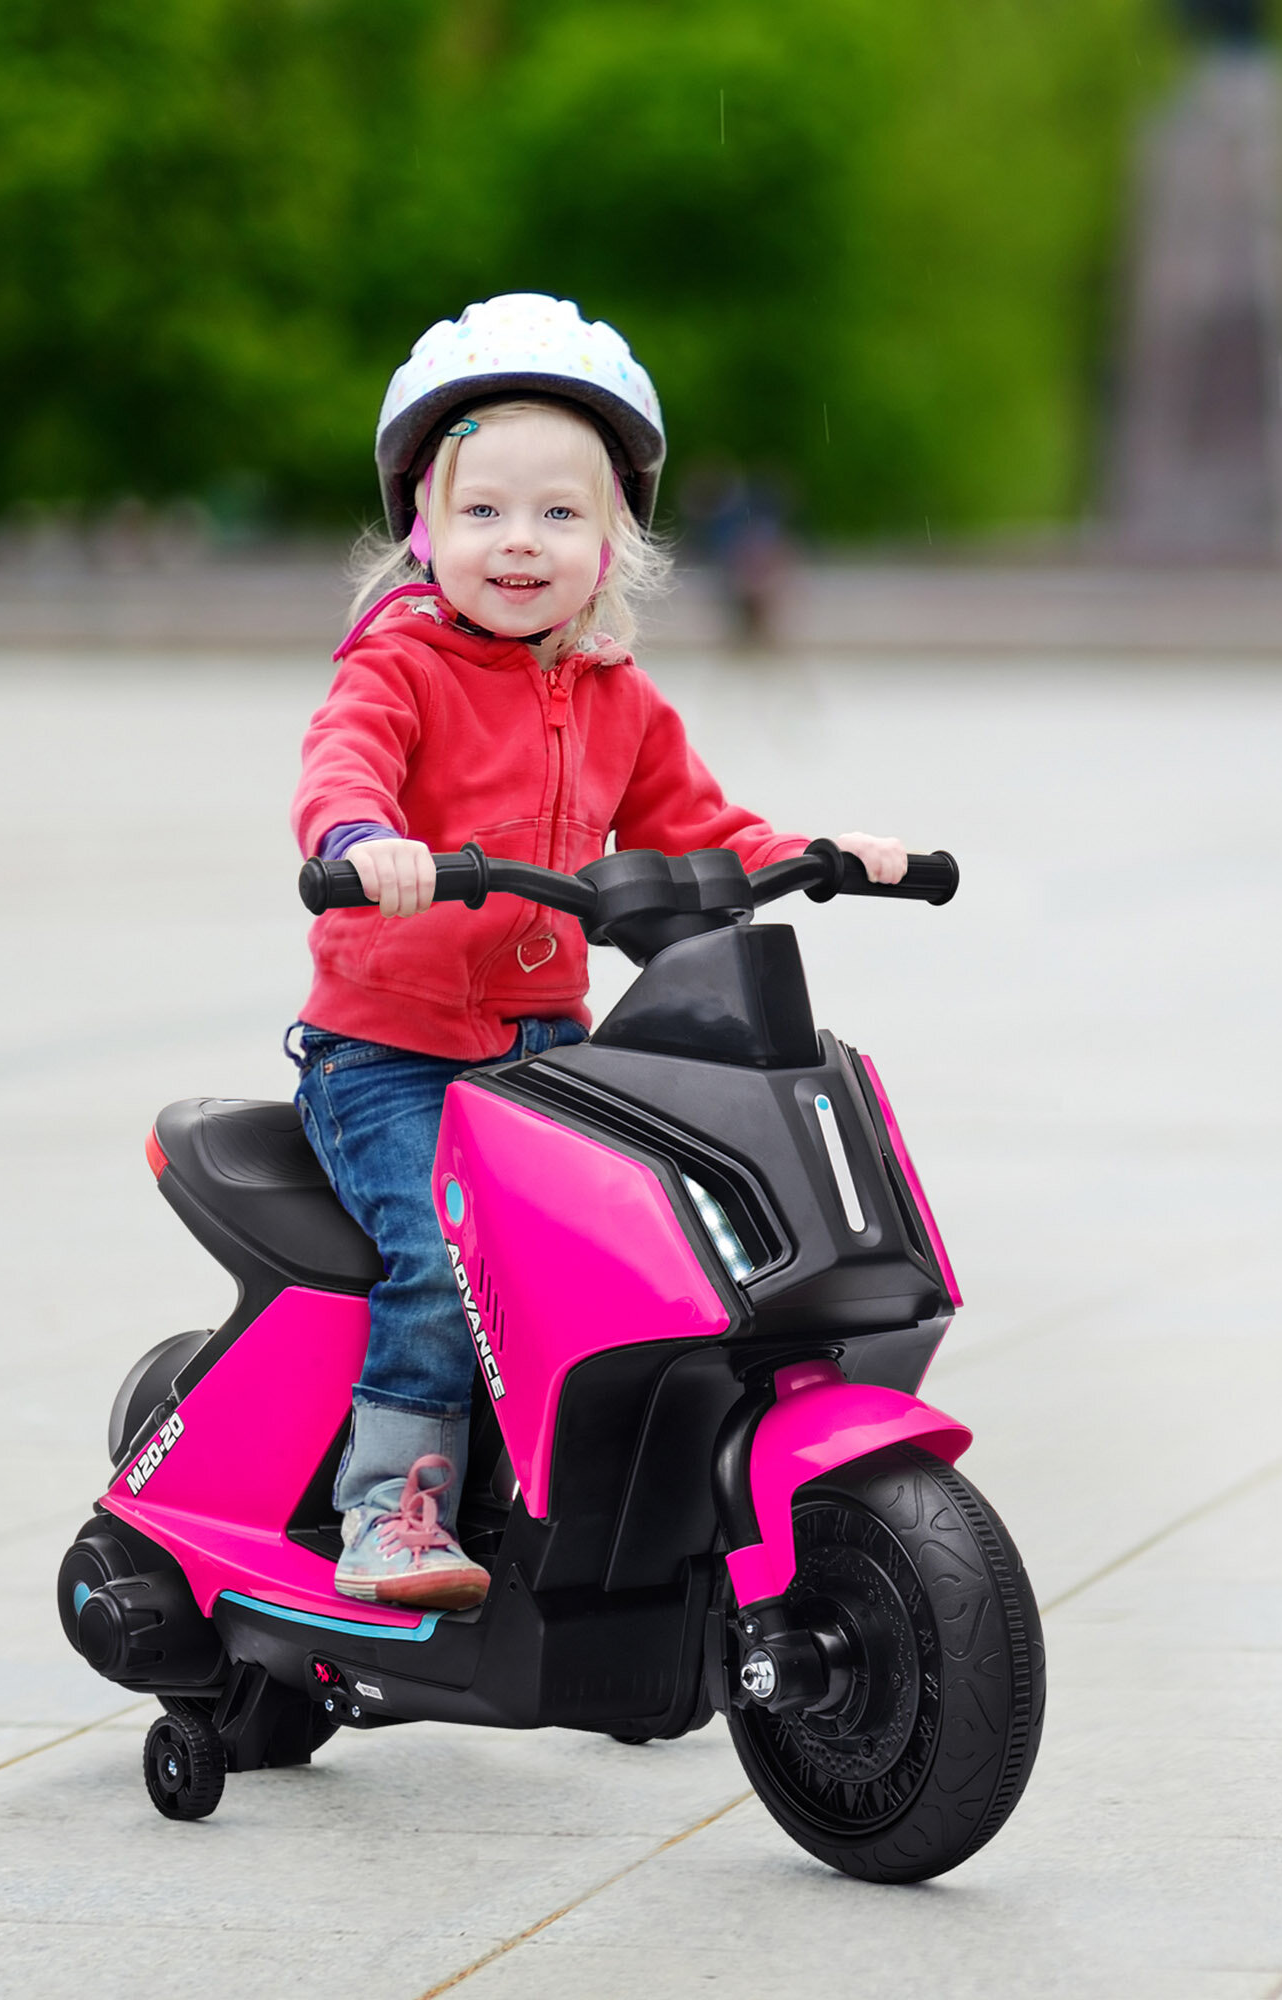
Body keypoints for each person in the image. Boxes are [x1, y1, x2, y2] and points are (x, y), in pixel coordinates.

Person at [288, 293, 908, 1611]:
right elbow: (341, 764)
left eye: (560, 514)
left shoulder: (619, 696)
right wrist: (362, 837)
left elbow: (702, 831)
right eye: (486, 512)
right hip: (388, 1057)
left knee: (634, 1266)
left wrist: (823, 854)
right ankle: (387, 1511)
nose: (521, 542)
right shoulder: (397, 667)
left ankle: (596, 1537)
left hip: (546, 1050)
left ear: (616, 537)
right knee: (446, 1267)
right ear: (424, 528)